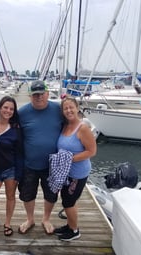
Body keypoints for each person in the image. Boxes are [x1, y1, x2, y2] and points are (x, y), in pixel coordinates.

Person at [18, 80, 63, 234]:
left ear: (48, 94)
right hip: (29, 163)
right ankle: (30, 219)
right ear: (30, 96)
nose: (39, 97)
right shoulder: (22, 113)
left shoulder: (58, 109)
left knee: (51, 194)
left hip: (52, 164)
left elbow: (72, 125)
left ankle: (46, 219)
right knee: (27, 194)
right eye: (35, 94)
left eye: (41, 94)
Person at [53, 96, 97, 241]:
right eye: (65, 108)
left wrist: (69, 159)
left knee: (68, 201)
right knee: (68, 200)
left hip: (78, 174)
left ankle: (74, 231)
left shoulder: (83, 128)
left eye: (71, 107)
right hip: (66, 172)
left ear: (77, 108)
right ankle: (70, 224)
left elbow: (91, 151)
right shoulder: (66, 126)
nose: (69, 110)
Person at [0, 96, 23, 236]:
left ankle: (7, 223)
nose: (8, 111)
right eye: (5, 107)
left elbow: (19, 154)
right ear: (0, 108)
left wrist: (18, 174)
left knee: (10, 197)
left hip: (10, 170)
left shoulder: (15, 130)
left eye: (11, 109)